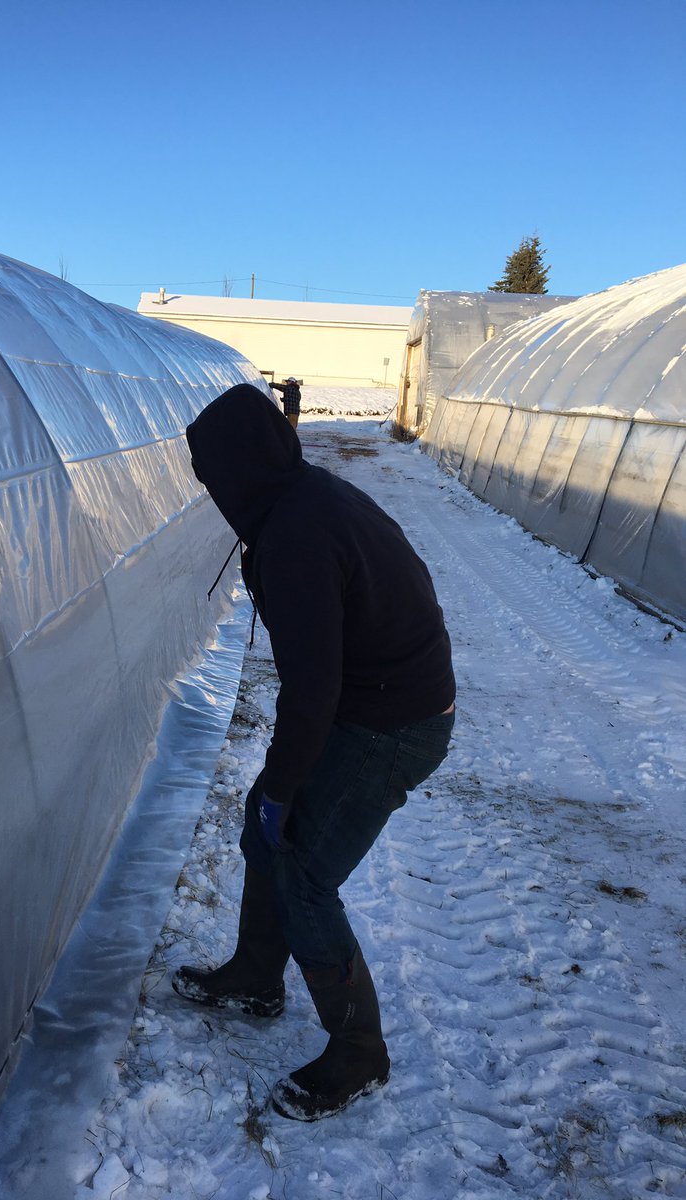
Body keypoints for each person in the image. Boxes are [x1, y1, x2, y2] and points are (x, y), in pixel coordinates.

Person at [172, 384, 456, 1121]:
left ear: (238, 469)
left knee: (304, 867)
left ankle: (360, 1053)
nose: (210, 490)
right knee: (265, 823)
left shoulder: (297, 534)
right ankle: (257, 976)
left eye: (212, 474)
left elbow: (313, 688)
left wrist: (282, 786)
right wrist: (272, 789)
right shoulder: (301, 498)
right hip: (379, 698)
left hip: (393, 723)